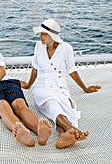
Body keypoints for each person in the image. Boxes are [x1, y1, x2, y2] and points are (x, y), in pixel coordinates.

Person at [21, 19, 101, 149]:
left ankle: (64, 135)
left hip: (60, 87)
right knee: (53, 104)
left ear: (52, 36)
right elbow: (35, 69)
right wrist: (29, 85)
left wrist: (85, 88)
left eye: (43, 34)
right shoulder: (38, 46)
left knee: (68, 106)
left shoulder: (66, 48)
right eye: (40, 33)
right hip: (42, 87)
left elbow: (72, 71)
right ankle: (72, 128)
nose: (40, 37)